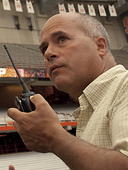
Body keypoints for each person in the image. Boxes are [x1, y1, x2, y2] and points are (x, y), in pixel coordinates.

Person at [7, 13, 128, 169]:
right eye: (44, 49)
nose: (48, 53)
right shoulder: (91, 108)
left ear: (100, 46)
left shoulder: (124, 87)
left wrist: (54, 138)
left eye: (62, 39)